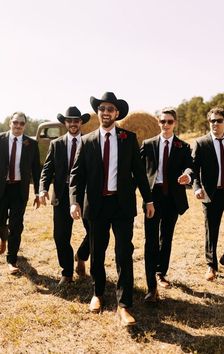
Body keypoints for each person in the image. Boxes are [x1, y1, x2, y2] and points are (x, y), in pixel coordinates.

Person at [70, 92, 154, 326]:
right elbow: (77, 175)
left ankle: (124, 305)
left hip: (122, 205)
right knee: (97, 253)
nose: (106, 112)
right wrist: (74, 201)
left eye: (110, 109)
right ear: (98, 113)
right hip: (96, 206)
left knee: (124, 253)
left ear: (117, 113)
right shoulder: (87, 141)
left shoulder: (129, 138)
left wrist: (148, 200)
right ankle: (97, 294)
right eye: (102, 109)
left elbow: (139, 173)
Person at [140, 108, 193, 302]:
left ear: (175, 123)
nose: (166, 125)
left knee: (166, 237)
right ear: (158, 122)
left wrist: (187, 175)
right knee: (150, 240)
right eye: (163, 121)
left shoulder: (183, 146)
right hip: (152, 198)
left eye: (170, 121)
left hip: (173, 199)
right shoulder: (148, 144)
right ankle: (150, 286)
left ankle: (161, 273)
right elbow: (137, 169)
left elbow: (190, 166)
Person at [39, 107, 91, 285]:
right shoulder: (57, 144)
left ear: (81, 122)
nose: (73, 123)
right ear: (65, 123)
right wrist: (43, 188)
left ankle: (82, 255)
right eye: (69, 120)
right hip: (61, 195)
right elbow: (47, 170)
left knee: (94, 232)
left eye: (76, 120)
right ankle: (67, 272)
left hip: (85, 195)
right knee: (61, 236)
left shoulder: (90, 142)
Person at [192, 107, 224, 281]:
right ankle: (211, 266)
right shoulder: (201, 143)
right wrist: (196, 186)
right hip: (211, 194)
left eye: (219, 120)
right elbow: (193, 168)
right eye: (212, 121)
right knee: (212, 230)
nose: (215, 124)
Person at [0, 112, 41, 274]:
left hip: (19, 190)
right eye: (15, 122)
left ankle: (11, 260)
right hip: (1, 189)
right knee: (1, 222)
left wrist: (38, 193)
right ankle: (3, 238)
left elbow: (36, 170)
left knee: (16, 226)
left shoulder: (31, 144)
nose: (18, 126)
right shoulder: (1, 140)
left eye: (21, 124)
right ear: (10, 123)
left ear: (25, 125)